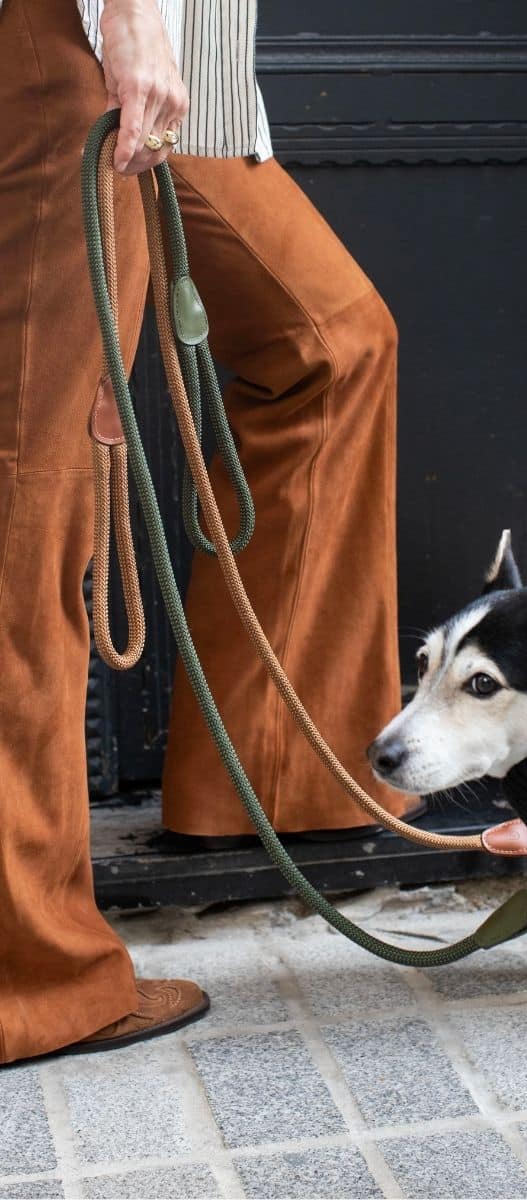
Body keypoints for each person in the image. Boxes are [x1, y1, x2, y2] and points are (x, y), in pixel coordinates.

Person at [0, 0, 418, 1065]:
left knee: (329, 341)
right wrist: (133, 19)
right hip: (71, 41)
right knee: (30, 498)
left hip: (182, 69)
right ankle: (26, 976)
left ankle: (271, 779)